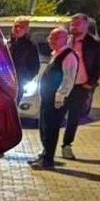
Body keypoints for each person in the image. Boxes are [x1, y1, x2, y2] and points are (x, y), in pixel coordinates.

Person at [59, 13, 100, 160]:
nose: (73, 27)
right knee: (54, 115)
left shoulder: (94, 44)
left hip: (80, 86)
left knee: (73, 117)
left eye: (77, 24)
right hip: (62, 85)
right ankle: (48, 147)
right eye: (72, 24)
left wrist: (90, 83)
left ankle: (67, 145)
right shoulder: (65, 40)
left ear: (86, 25)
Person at [31, 27, 79, 170]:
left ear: (65, 39)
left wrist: (60, 97)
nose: (51, 41)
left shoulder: (68, 56)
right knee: (44, 126)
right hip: (47, 98)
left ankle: (48, 159)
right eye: (50, 38)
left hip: (56, 100)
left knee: (51, 128)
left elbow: (68, 79)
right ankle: (45, 153)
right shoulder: (56, 54)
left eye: (55, 38)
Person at [7, 18, 41, 96]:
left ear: (27, 30)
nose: (18, 29)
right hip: (4, 81)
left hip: (18, 83)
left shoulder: (30, 46)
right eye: (16, 26)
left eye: (22, 27)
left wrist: (24, 80)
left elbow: (35, 67)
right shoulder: (7, 43)